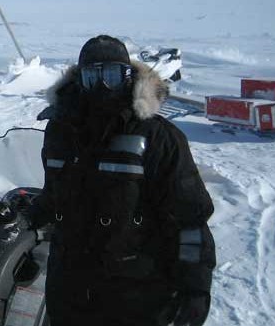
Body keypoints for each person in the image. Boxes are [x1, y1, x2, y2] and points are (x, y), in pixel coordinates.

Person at [30, 35, 215, 326]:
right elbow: (54, 196)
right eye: (93, 76)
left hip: (134, 299)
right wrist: (24, 216)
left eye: (113, 75)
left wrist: (195, 289)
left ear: (128, 78)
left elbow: (189, 220)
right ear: (79, 80)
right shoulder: (60, 131)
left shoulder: (157, 137)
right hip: (69, 292)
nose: (103, 85)